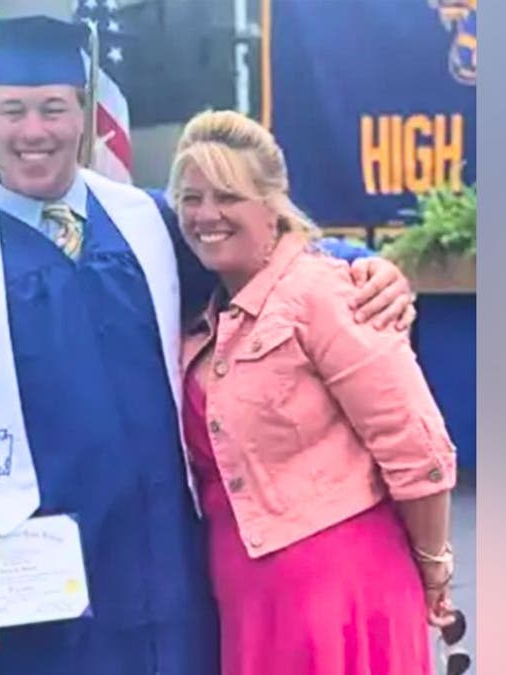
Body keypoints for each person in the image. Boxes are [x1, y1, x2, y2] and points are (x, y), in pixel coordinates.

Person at [0, 16, 417, 675]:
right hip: (34, 617)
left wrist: (363, 267)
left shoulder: (149, 225)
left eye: (53, 108)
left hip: (171, 583)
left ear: (84, 117)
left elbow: (259, 254)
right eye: (13, 110)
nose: (33, 130)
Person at [168, 109, 458, 675]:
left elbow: (416, 449)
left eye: (228, 196)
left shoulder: (326, 293)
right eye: (190, 198)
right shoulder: (206, 310)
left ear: (271, 204)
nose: (205, 215)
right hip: (245, 592)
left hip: (341, 590)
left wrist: (433, 566)